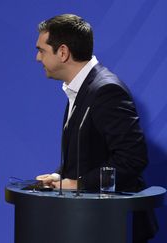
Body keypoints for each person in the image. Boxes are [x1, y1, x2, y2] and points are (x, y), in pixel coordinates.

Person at [34, 14, 157, 243]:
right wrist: (59, 177)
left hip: (113, 226)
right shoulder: (81, 88)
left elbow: (132, 159)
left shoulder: (106, 90)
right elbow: (91, 152)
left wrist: (77, 184)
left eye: (42, 50)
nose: (37, 57)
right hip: (89, 224)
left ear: (63, 52)